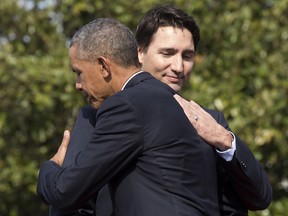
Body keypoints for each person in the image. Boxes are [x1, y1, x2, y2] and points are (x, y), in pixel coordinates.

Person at [47, 5, 272, 216]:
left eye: (187, 55)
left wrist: (224, 139)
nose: (178, 66)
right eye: (167, 53)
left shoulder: (208, 122)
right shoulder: (95, 115)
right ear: (139, 54)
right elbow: (71, 200)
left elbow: (257, 199)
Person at [37, 17, 222, 216]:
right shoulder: (170, 101)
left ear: (103, 67)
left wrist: (50, 168)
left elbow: (65, 191)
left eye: (79, 72)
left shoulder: (125, 105)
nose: (78, 84)